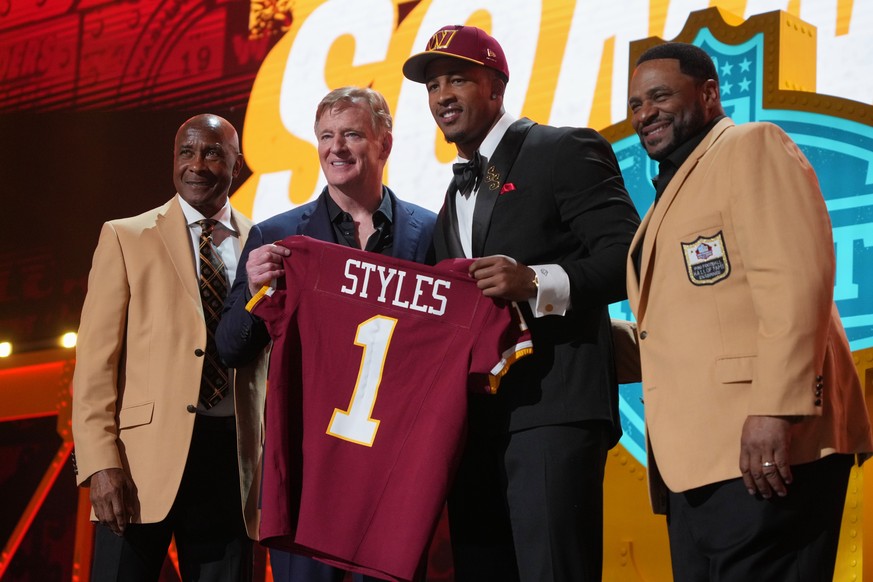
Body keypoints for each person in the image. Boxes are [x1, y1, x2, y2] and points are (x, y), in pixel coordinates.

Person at [625, 42, 873, 581]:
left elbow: (796, 282)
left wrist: (775, 409)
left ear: (710, 92)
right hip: (699, 466)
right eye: (636, 104)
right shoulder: (675, 189)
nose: (645, 114)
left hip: (763, 449)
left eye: (660, 96)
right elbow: (674, 329)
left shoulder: (752, 146)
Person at [402, 25, 640, 582]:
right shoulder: (451, 196)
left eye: (458, 79)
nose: (442, 97)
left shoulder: (563, 149)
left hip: (554, 410)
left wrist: (534, 280)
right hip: (475, 427)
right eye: (433, 86)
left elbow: (628, 255)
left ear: (497, 87)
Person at [216, 87, 436, 582]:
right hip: (307, 477)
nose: (336, 148)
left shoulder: (430, 233)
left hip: (394, 478)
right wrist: (254, 289)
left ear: (384, 144)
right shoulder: (275, 237)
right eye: (326, 136)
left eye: (352, 134)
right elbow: (230, 347)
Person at [71, 114, 267, 581]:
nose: (196, 165)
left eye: (213, 153)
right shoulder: (125, 236)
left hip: (232, 464)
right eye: (186, 152)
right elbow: (96, 365)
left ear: (236, 166)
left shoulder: (263, 242)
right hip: (138, 469)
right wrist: (99, 464)